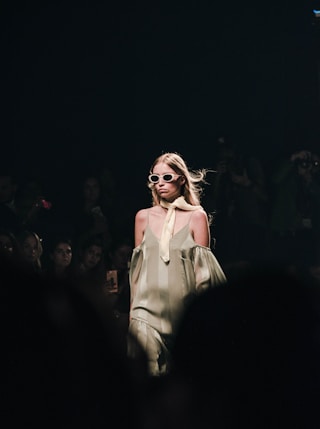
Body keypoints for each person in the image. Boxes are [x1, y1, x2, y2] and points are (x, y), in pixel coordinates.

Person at [127, 152, 227, 377]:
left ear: (182, 179)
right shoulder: (142, 217)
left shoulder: (197, 217)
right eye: (155, 178)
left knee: (183, 383)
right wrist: (133, 315)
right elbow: (137, 271)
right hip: (146, 314)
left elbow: (204, 275)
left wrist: (203, 320)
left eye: (167, 177)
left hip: (183, 317)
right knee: (143, 380)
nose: (160, 183)